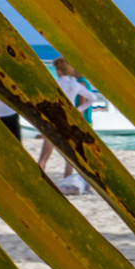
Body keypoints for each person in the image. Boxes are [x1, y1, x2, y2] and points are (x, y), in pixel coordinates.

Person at [38, 57, 94, 195]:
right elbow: (93, 98)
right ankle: (66, 181)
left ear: (59, 70)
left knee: (44, 156)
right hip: (68, 123)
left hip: (54, 122)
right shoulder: (75, 85)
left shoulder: (54, 84)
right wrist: (79, 110)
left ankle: (38, 182)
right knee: (69, 157)